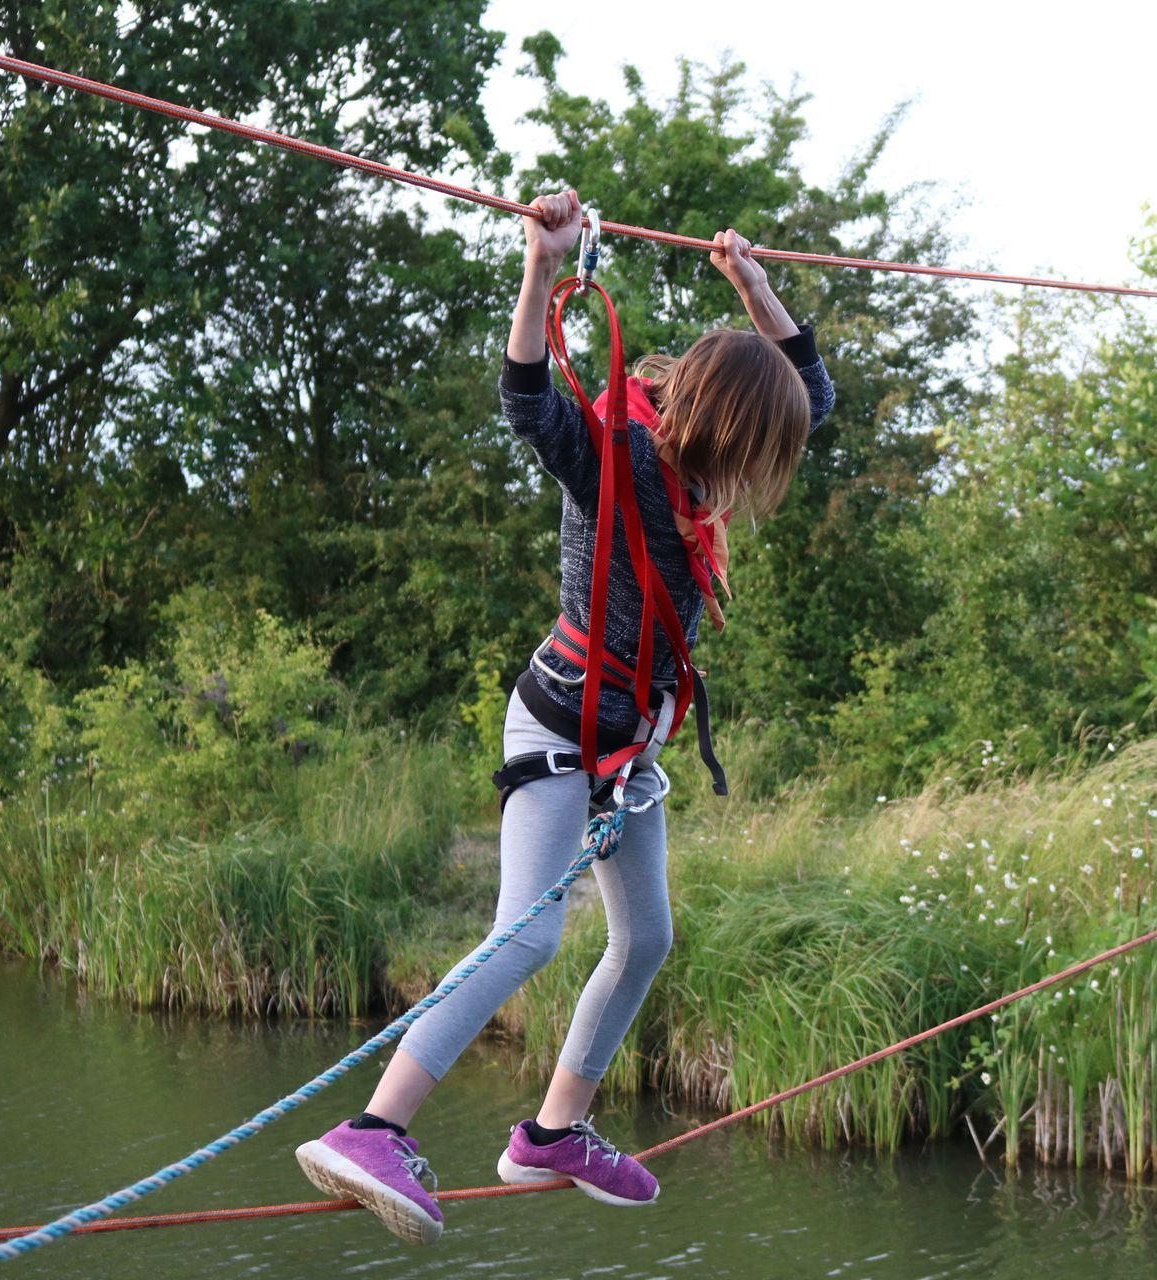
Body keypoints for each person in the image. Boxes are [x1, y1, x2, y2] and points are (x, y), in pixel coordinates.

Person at [294, 189, 836, 1245]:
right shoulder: (622, 457)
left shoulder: (699, 470)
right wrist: (542, 269)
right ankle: (370, 1125)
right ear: (711, 426)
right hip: (555, 725)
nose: (745, 485)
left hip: (629, 748)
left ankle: (552, 1129)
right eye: (744, 455)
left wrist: (757, 287)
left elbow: (808, 391)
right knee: (529, 932)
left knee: (645, 936)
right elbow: (529, 401)